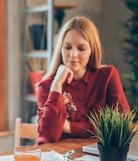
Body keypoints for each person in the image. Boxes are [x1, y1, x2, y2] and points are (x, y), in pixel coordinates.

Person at [36, 16, 130, 144]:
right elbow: (50, 136)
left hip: (93, 156)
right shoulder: (46, 86)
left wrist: (71, 127)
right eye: (67, 47)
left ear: (92, 50)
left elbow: (123, 126)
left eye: (81, 48)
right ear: (60, 49)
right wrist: (57, 84)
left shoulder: (108, 76)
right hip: (54, 157)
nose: (73, 54)